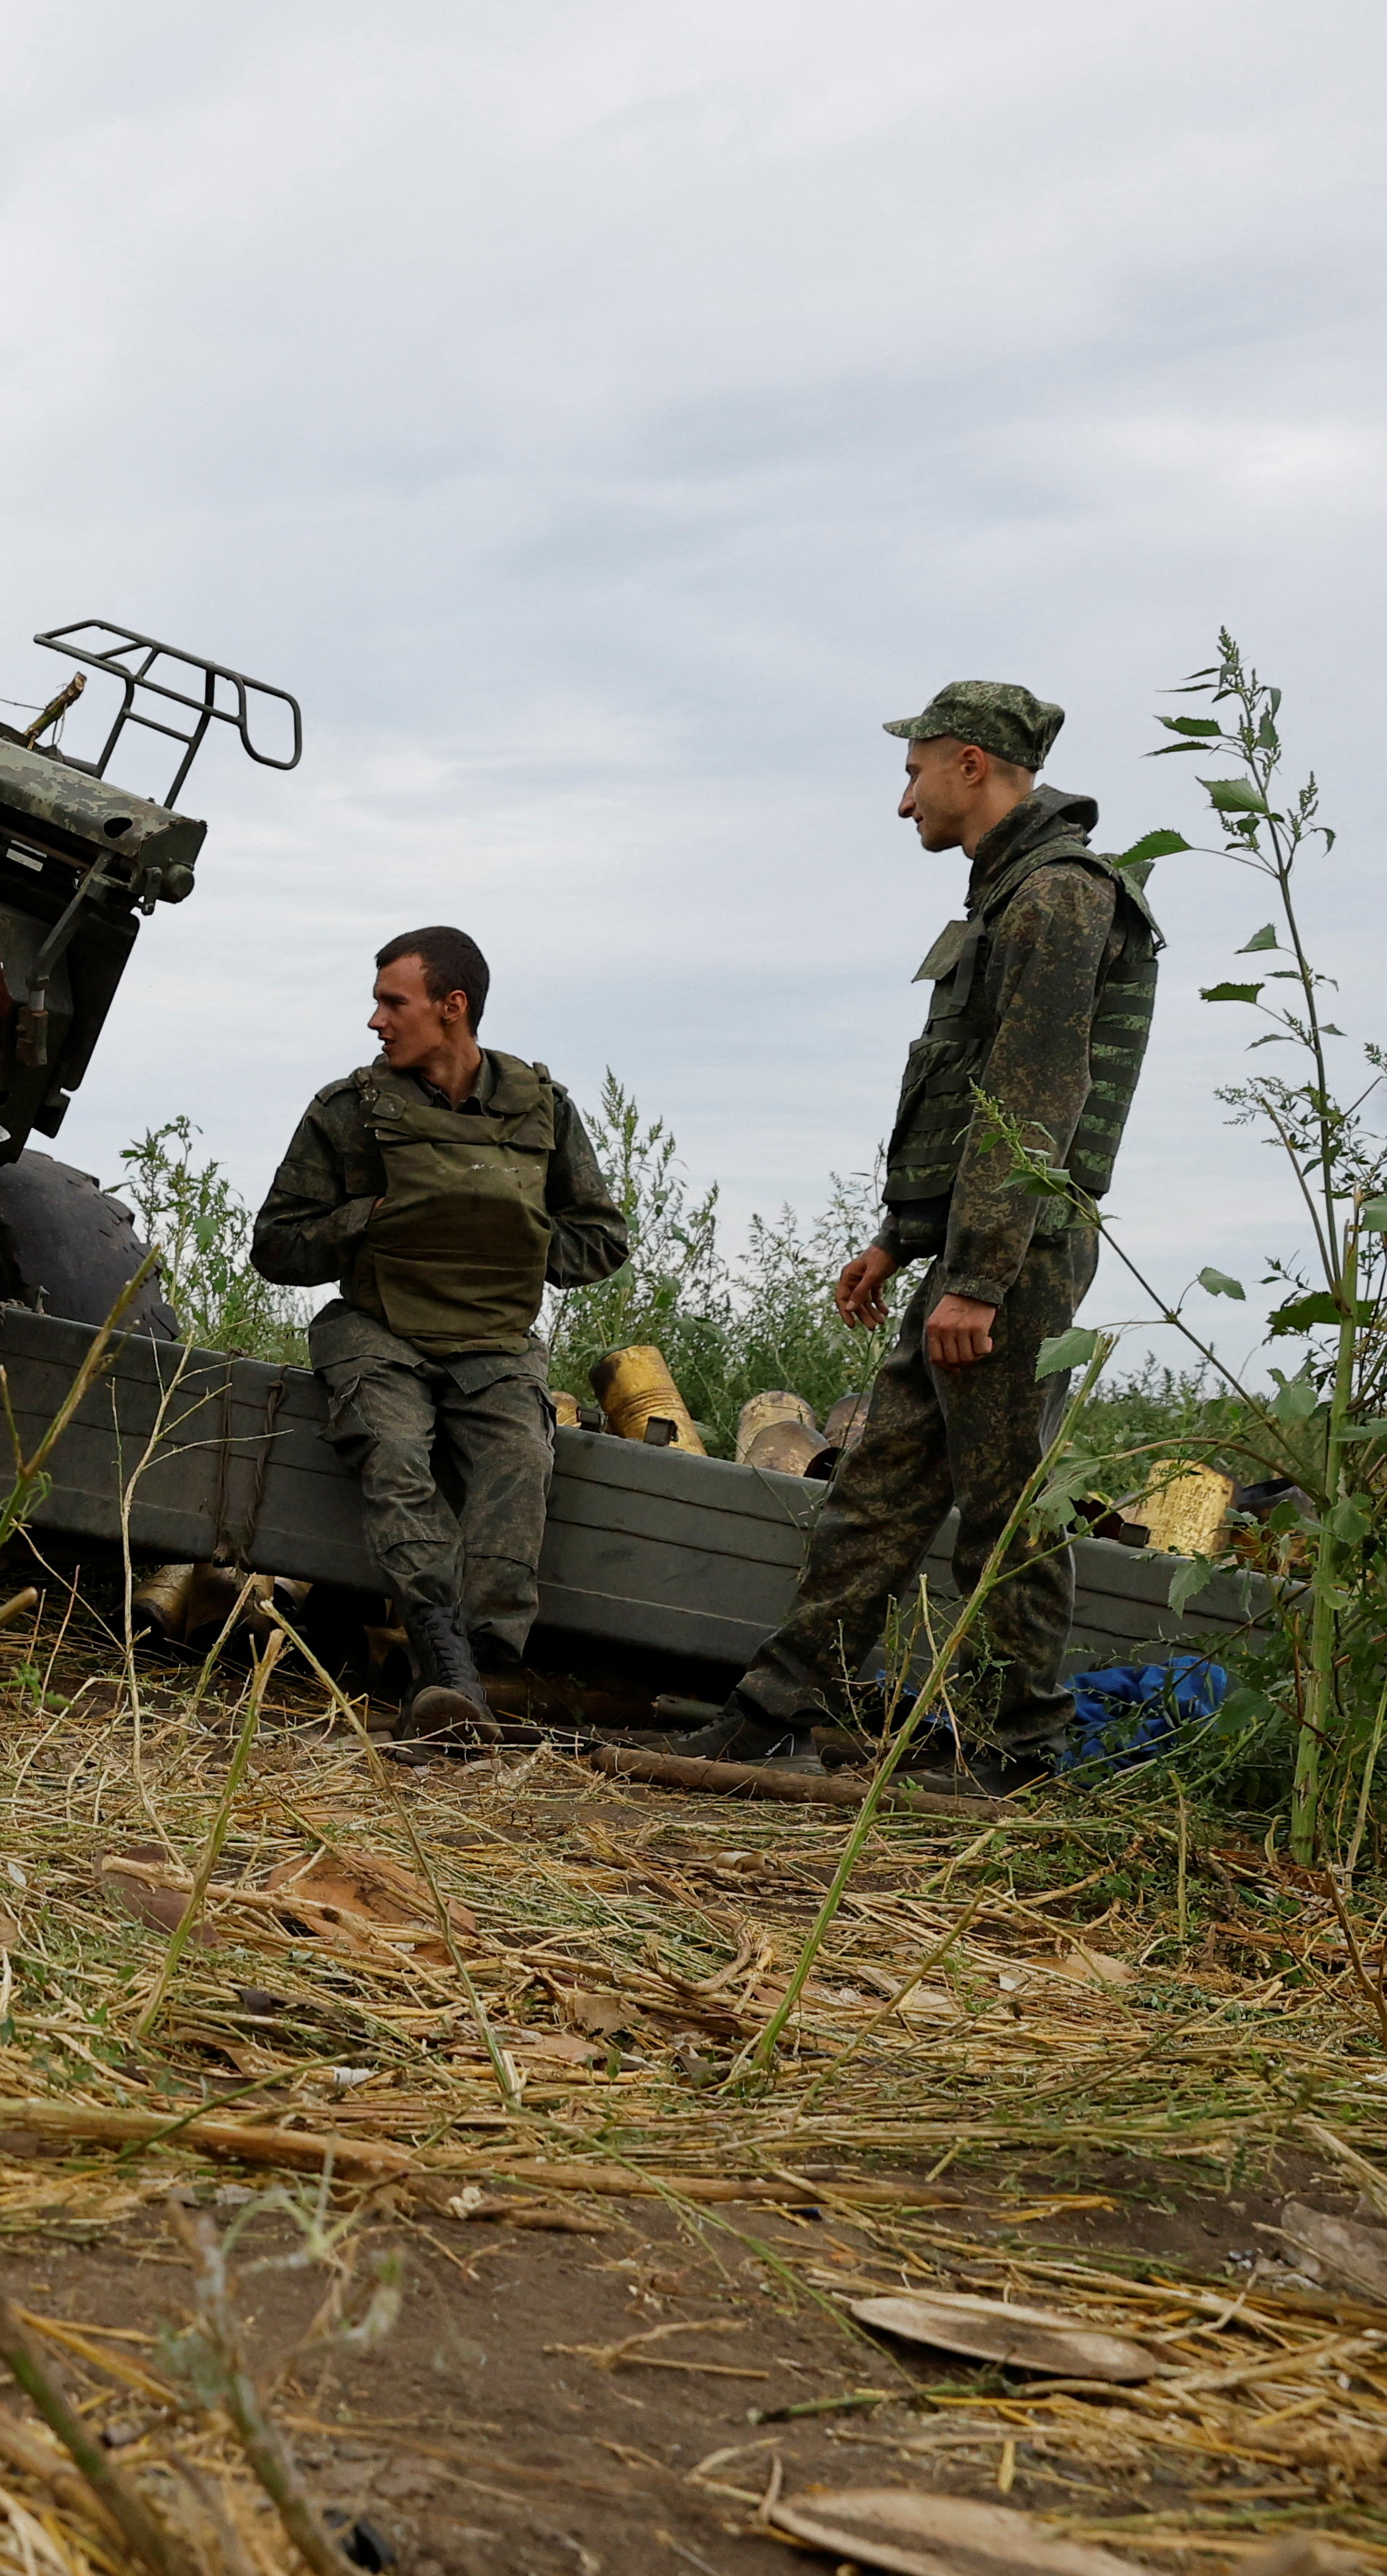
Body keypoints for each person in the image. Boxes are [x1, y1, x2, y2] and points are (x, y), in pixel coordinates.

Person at [669, 682, 1160, 1794]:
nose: (905, 802)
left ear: (973, 765)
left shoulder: (1059, 898)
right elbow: (964, 1092)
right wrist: (903, 1240)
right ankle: (779, 1709)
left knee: (1003, 1510)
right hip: (974, 1251)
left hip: (1015, 1257)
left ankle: (1015, 1752)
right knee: (879, 1487)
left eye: (916, 771)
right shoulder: (1007, 899)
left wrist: (980, 1276)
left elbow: (1034, 1099)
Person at [252, 929, 633, 1734]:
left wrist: (516, 1249)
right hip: (378, 1329)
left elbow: (601, 1236)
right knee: (393, 1450)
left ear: (450, 1006)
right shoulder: (349, 1111)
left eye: (393, 1001)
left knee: (520, 1459)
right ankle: (437, 1647)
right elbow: (276, 1245)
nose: (375, 1021)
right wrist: (375, 1220)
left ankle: (482, 1658)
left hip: (493, 1341)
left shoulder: (541, 1109)